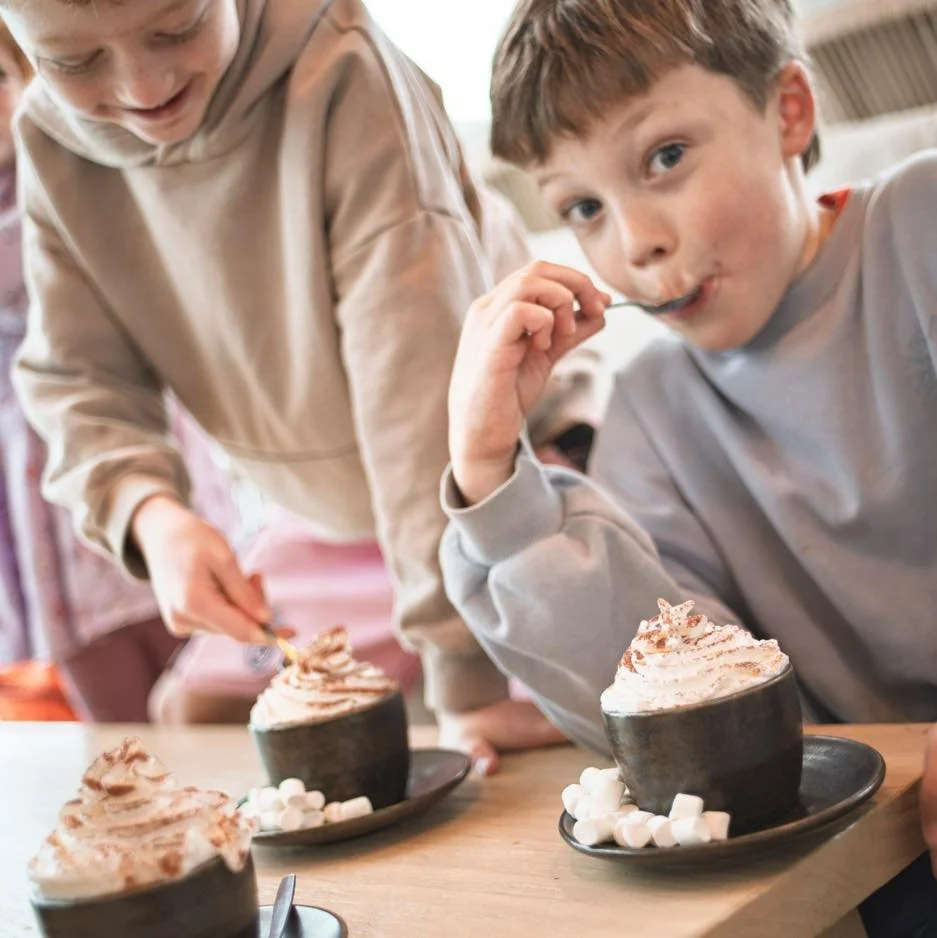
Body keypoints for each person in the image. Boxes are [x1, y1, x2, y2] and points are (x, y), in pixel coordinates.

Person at [439, 0, 937, 931]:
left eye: (664, 158)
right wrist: (486, 471)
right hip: (890, 855)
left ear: (789, 111)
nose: (633, 244)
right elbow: (678, 727)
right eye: (581, 208)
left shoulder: (921, 224)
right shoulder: (650, 408)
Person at [3, 0, 598, 768]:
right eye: (73, 63)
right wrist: (150, 514)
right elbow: (77, 376)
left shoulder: (345, 74)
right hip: (329, 527)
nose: (141, 85)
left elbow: (416, 403)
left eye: (176, 28)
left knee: (527, 735)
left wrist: (466, 677)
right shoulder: (50, 143)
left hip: (495, 484)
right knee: (190, 714)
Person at [0, 21, 184, 722]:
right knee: (102, 699)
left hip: (135, 435)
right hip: (30, 496)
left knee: (191, 652)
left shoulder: (84, 161)